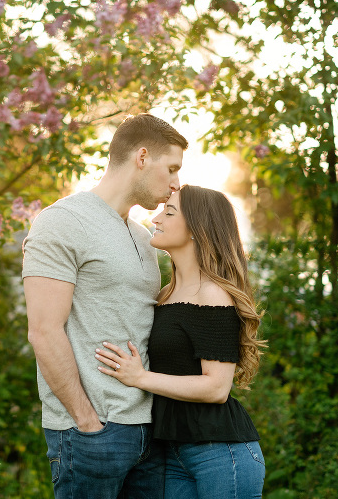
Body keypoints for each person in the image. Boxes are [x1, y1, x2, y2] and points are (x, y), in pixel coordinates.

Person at [22, 113, 188, 498]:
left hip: (150, 433)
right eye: (172, 168)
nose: (177, 183)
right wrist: (86, 421)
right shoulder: (62, 222)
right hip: (94, 433)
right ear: (142, 157)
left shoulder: (145, 237)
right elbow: (44, 331)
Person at [95, 185, 268, 498]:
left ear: (196, 229)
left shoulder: (212, 295)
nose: (157, 217)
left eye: (169, 212)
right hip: (172, 453)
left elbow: (216, 388)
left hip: (220, 453)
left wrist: (140, 378)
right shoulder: (166, 294)